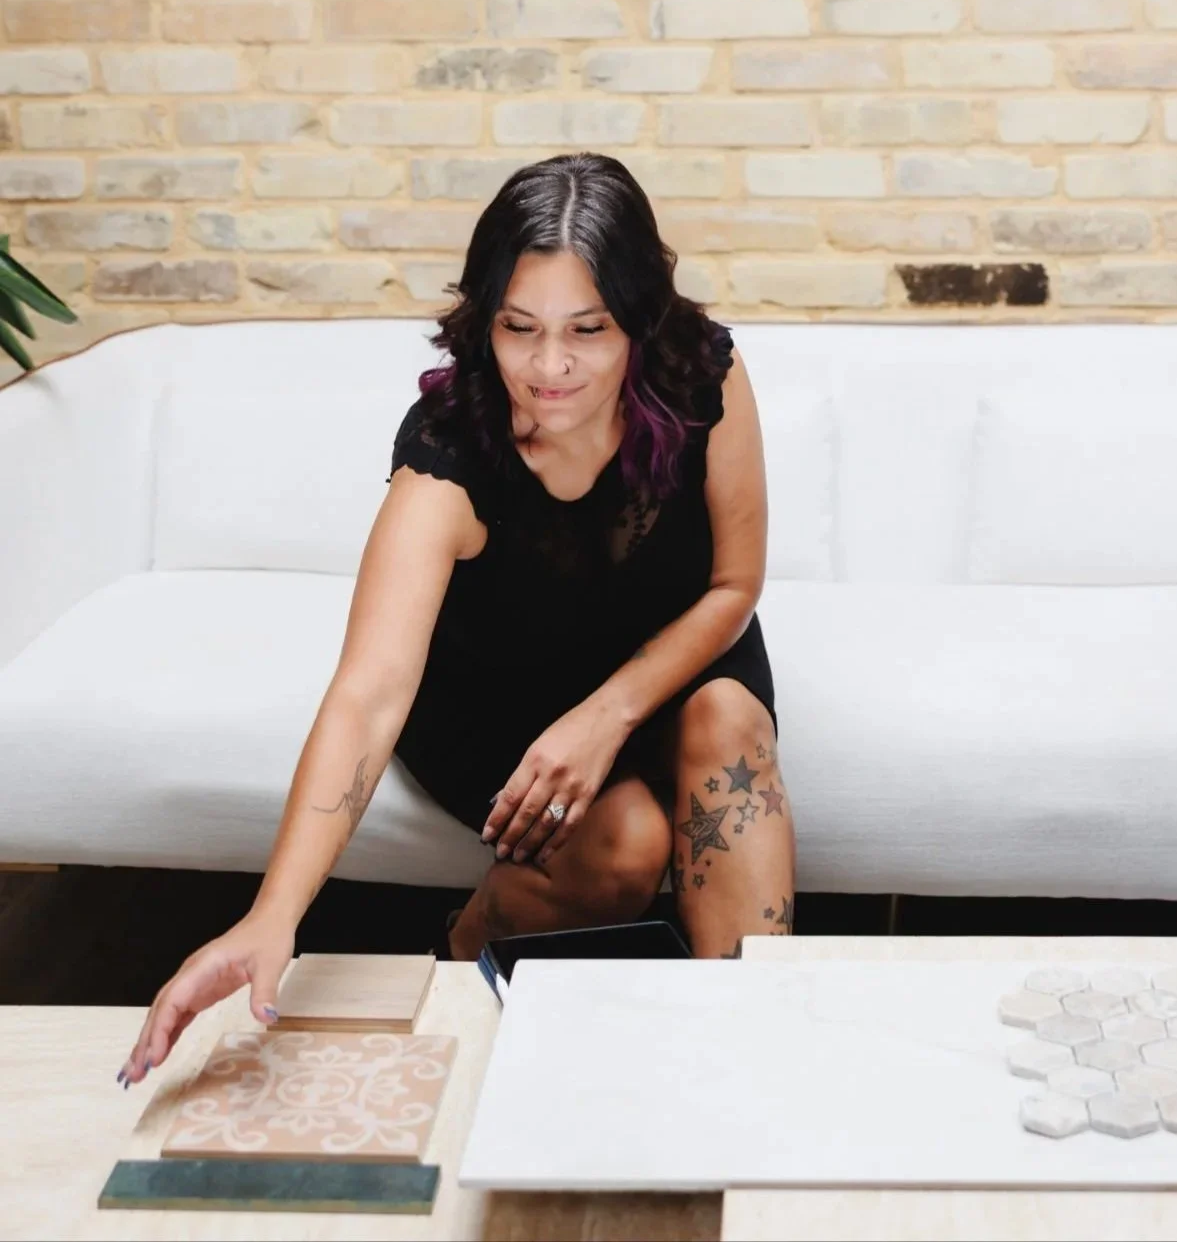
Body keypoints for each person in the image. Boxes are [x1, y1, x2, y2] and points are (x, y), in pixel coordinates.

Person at [117, 152, 796, 1089]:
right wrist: (272, 915)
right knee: (629, 841)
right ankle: (468, 938)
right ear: (487, 319)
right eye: (519, 328)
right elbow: (369, 692)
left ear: (639, 318)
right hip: (500, 696)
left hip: (672, 666)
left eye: (588, 330)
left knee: (730, 723)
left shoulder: (701, 374)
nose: (549, 367)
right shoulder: (450, 450)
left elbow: (734, 583)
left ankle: (751, 1053)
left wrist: (606, 717)